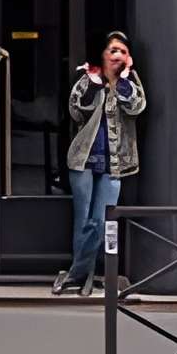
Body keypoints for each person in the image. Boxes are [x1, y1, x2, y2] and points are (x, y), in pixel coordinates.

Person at [52, 31, 145, 295]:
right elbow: (76, 111)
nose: (118, 55)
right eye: (113, 50)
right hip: (83, 160)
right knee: (84, 220)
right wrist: (94, 84)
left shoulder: (130, 81)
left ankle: (78, 273)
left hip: (115, 163)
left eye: (123, 51)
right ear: (103, 53)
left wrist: (123, 81)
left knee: (102, 222)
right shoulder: (87, 77)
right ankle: (85, 275)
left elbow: (137, 107)